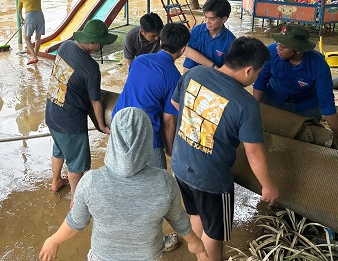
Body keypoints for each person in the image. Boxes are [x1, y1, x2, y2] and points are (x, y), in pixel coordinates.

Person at [39, 107, 205, 261]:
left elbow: (76, 222)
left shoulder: (91, 182)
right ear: (147, 139)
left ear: (114, 140)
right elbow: (178, 220)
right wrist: (194, 241)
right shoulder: (164, 182)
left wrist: (53, 240)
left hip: (103, 256)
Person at [171, 37, 279, 261]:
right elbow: (253, 153)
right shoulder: (245, 104)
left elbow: (175, 104)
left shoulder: (194, 74)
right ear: (249, 70)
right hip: (211, 180)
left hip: (180, 164)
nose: (256, 78)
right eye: (258, 73)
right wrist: (267, 186)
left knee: (196, 215)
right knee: (214, 232)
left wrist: (197, 124)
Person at [112, 22, 191, 252]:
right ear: (183, 49)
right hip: (145, 135)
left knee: (125, 178)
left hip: (119, 124)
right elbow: (168, 121)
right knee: (155, 189)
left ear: (160, 40)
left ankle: (123, 227)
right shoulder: (174, 78)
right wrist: (170, 149)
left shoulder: (139, 61)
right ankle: (153, 240)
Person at [45, 19, 116, 203]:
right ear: (93, 42)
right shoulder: (91, 69)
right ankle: (76, 199)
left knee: (59, 149)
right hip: (70, 122)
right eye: (102, 42)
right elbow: (96, 102)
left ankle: (55, 181)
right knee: (76, 163)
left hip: (52, 111)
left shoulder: (65, 46)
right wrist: (101, 125)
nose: (103, 46)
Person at [252, 23, 338, 144]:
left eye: (283, 47)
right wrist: (254, 110)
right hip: (274, 97)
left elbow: (327, 104)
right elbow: (260, 83)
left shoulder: (318, 65)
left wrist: (337, 136)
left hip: (305, 105)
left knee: (307, 139)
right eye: (278, 43)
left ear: (298, 50)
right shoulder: (271, 52)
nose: (278, 48)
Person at [183, 0, 235, 73]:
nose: (207, 22)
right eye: (206, 17)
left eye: (212, 19)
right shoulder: (196, 31)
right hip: (195, 74)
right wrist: (185, 77)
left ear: (224, 19)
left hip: (215, 77)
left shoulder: (231, 41)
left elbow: (230, 70)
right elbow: (188, 56)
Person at [17, 0, 45, 65]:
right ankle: (35, 55)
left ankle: (34, 57)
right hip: (40, 16)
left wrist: (22, 19)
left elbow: (19, 10)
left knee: (27, 38)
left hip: (30, 16)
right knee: (38, 38)